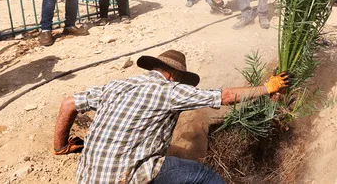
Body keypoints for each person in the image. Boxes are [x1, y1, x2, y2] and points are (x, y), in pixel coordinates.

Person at [53, 49, 290, 184]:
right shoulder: (170, 90)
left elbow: (68, 104)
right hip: (124, 179)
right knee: (205, 176)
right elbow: (225, 96)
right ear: (174, 74)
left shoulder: (116, 86)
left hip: (87, 179)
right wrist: (267, 89)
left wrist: (62, 146)